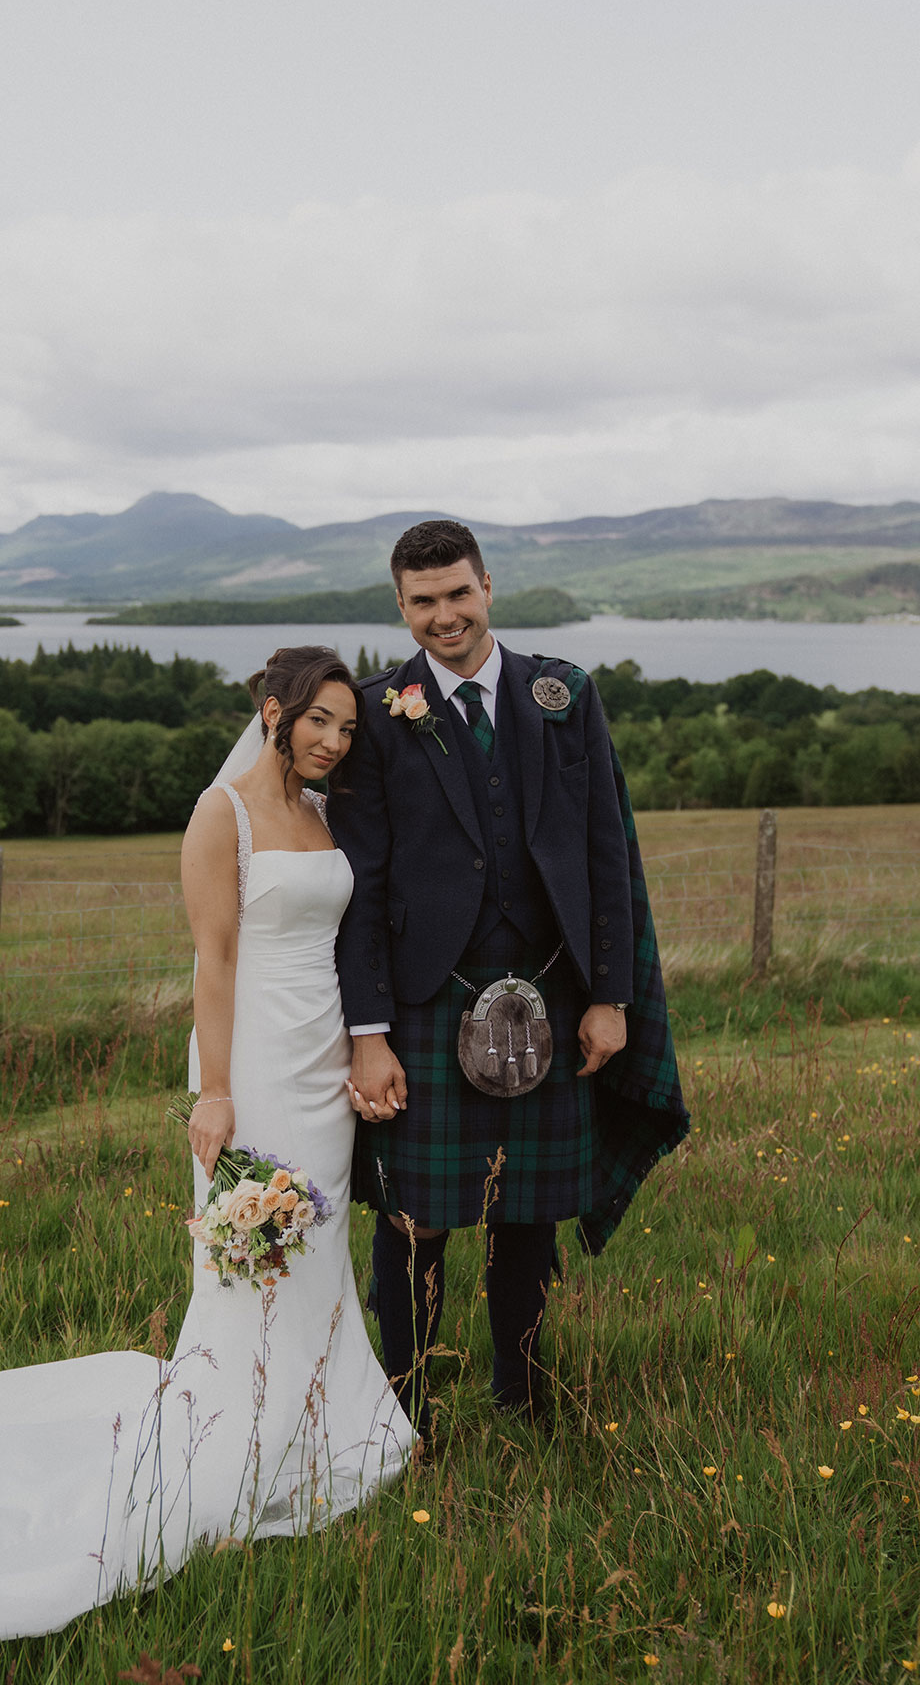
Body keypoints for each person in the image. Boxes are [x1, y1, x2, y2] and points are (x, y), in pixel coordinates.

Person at [0, 646, 412, 1653]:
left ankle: (322, 1424)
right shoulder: (218, 814)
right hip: (257, 1062)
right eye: (317, 719)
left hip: (325, 1065)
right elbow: (216, 958)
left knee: (317, 1251)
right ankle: (235, 1446)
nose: (331, 739)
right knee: (253, 1259)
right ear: (270, 710)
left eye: (346, 727)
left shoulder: (326, 815)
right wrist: (218, 1093)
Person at [328, 521, 688, 1434]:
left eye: (458, 594)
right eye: (422, 602)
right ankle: (400, 1403)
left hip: (553, 990)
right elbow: (361, 885)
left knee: (525, 1212)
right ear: (400, 607)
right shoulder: (377, 711)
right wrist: (367, 1036)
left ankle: (520, 1396)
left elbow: (607, 850)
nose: (443, 617)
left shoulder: (563, 694)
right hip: (422, 998)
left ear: (487, 584)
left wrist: (610, 997)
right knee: (413, 1217)